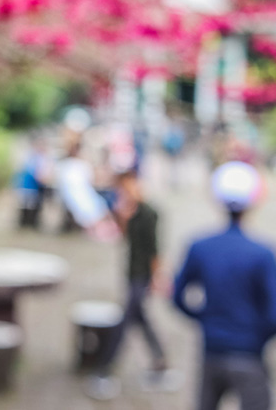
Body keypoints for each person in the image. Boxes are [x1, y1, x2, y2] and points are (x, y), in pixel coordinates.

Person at [173, 161, 276, 410]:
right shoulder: (262, 253)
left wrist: (204, 319)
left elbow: (176, 294)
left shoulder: (200, 246)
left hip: (212, 349)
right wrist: (256, 336)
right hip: (248, 351)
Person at [85, 169, 176, 401]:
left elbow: (154, 249)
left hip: (141, 276)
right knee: (141, 320)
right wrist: (121, 215)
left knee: (124, 323)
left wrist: (158, 277)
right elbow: (123, 237)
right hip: (131, 274)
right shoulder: (130, 212)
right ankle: (160, 362)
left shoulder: (149, 213)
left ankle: (105, 369)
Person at [14, 133, 53, 229]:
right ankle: (25, 223)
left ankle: (32, 222)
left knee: (35, 205)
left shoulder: (44, 157)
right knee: (26, 205)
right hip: (28, 185)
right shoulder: (30, 157)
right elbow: (32, 172)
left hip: (37, 186)